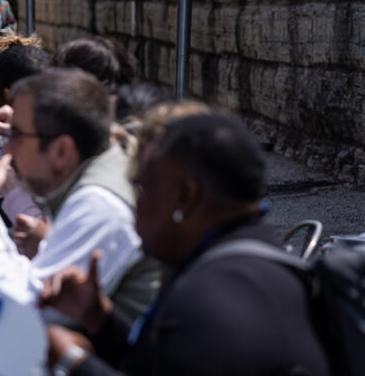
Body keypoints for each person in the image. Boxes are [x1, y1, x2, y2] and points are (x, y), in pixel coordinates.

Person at [40, 113, 332, 376]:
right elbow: (165, 362)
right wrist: (99, 318)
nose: (136, 202)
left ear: (184, 196)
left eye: (142, 186)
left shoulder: (213, 300)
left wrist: (73, 362)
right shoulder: (248, 261)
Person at [0, 68, 160, 320]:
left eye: (17, 134)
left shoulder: (100, 204)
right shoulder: (93, 168)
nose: (6, 147)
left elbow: (20, 318)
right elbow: (34, 283)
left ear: (61, 151)